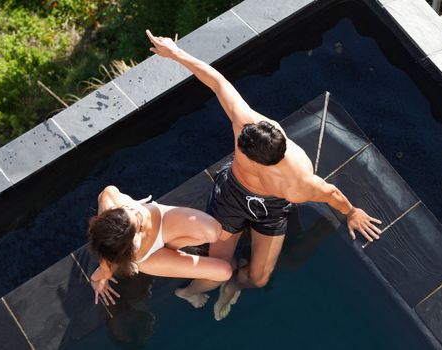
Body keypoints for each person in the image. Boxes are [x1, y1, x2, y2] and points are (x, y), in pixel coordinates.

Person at [146, 29, 382, 320]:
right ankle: (191, 291)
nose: (237, 143)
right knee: (216, 270)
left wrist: (352, 212)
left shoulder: (298, 184)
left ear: (261, 162)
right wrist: (175, 53)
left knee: (258, 279)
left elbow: (330, 194)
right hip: (232, 194)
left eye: (243, 152)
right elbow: (218, 83)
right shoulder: (247, 124)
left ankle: (235, 286)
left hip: (271, 207)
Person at [88, 185, 233, 308]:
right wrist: (97, 279)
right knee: (224, 272)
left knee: (213, 232)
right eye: (138, 224)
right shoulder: (116, 253)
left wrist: (130, 203)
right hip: (151, 257)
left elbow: (108, 190)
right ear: (132, 243)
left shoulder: (112, 204)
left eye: (128, 211)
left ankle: (173, 248)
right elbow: (105, 266)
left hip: (163, 222)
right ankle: (188, 292)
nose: (136, 212)